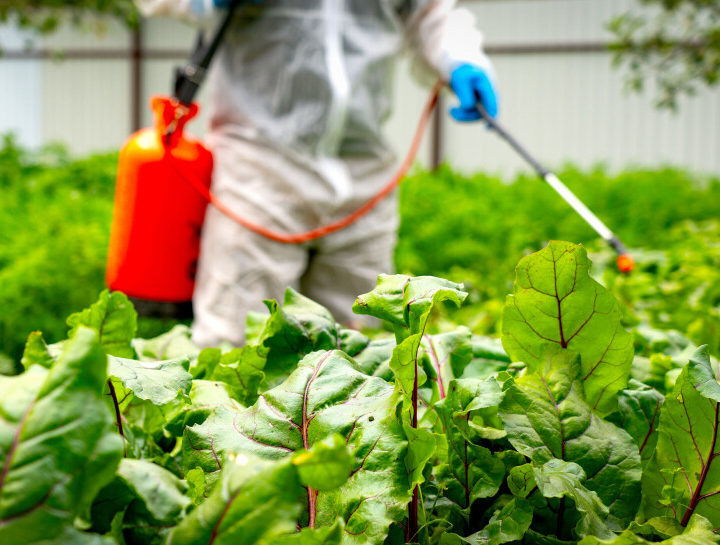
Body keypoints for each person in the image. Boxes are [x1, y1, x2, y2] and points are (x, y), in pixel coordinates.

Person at [134, 0, 499, 348]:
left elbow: (430, 12)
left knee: (359, 351)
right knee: (238, 347)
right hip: (259, 169)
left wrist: (461, 56)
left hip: (364, 176)